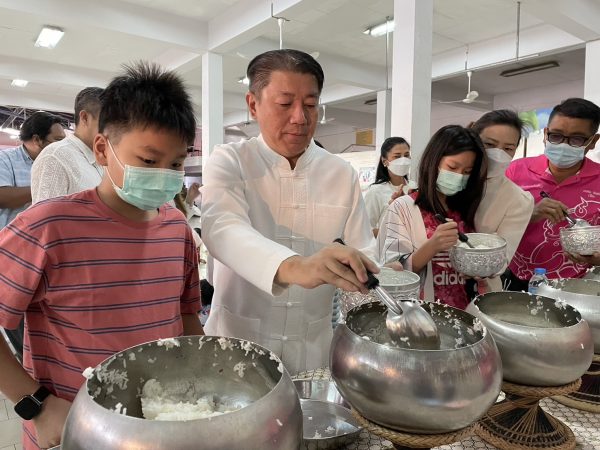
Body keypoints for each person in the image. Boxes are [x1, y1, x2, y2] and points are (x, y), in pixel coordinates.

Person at [0, 62, 203, 450]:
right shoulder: (48, 226)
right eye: (147, 161)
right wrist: (36, 406)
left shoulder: (176, 230)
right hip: (71, 431)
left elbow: (187, 316)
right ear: (102, 149)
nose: (163, 174)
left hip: (157, 429)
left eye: (176, 164)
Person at [201, 49, 377, 375]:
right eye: (285, 104)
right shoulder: (230, 160)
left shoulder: (340, 173)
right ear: (253, 105)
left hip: (312, 351)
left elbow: (363, 252)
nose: (300, 117)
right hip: (236, 347)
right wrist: (298, 267)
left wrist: (367, 276)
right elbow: (223, 228)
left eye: (310, 105)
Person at [378, 125, 487, 309]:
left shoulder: (469, 209)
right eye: (452, 167)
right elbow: (391, 272)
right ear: (434, 160)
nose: (459, 176)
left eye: (467, 172)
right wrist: (433, 245)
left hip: (466, 312)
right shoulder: (403, 208)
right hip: (421, 313)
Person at [504, 98, 600, 289]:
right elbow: (488, 225)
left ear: (592, 142)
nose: (563, 144)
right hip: (515, 279)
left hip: (576, 287)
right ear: (545, 134)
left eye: (576, 139)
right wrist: (529, 214)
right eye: (556, 136)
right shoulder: (516, 171)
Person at [0, 111, 65, 360]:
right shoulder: (6, 159)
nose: (62, 147)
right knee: (15, 314)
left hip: (47, 253)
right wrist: (42, 184)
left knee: (41, 313)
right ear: (37, 140)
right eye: (57, 141)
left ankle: (42, 359)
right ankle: (27, 369)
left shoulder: (57, 163)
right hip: (14, 253)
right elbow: (2, 196)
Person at [470, 110, 534, 291]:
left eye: (508, 148)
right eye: (489, 144)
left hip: (477, 292)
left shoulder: (518, 200)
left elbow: (499, 261)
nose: (498, 154)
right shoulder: (448, 181)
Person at [31, 87, 104, 204]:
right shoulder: (55, 157)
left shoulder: (102, 157)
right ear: (85, 118)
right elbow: (47, 218)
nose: (115, 130)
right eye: (108, 121)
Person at [364, 137, 413, 237]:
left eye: (406, 155)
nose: (403, 160)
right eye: (397, 156)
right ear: (385, 161)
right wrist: (393, 234)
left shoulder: (415, 186)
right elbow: (366, 228)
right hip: (389, 248)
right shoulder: (376, 191)